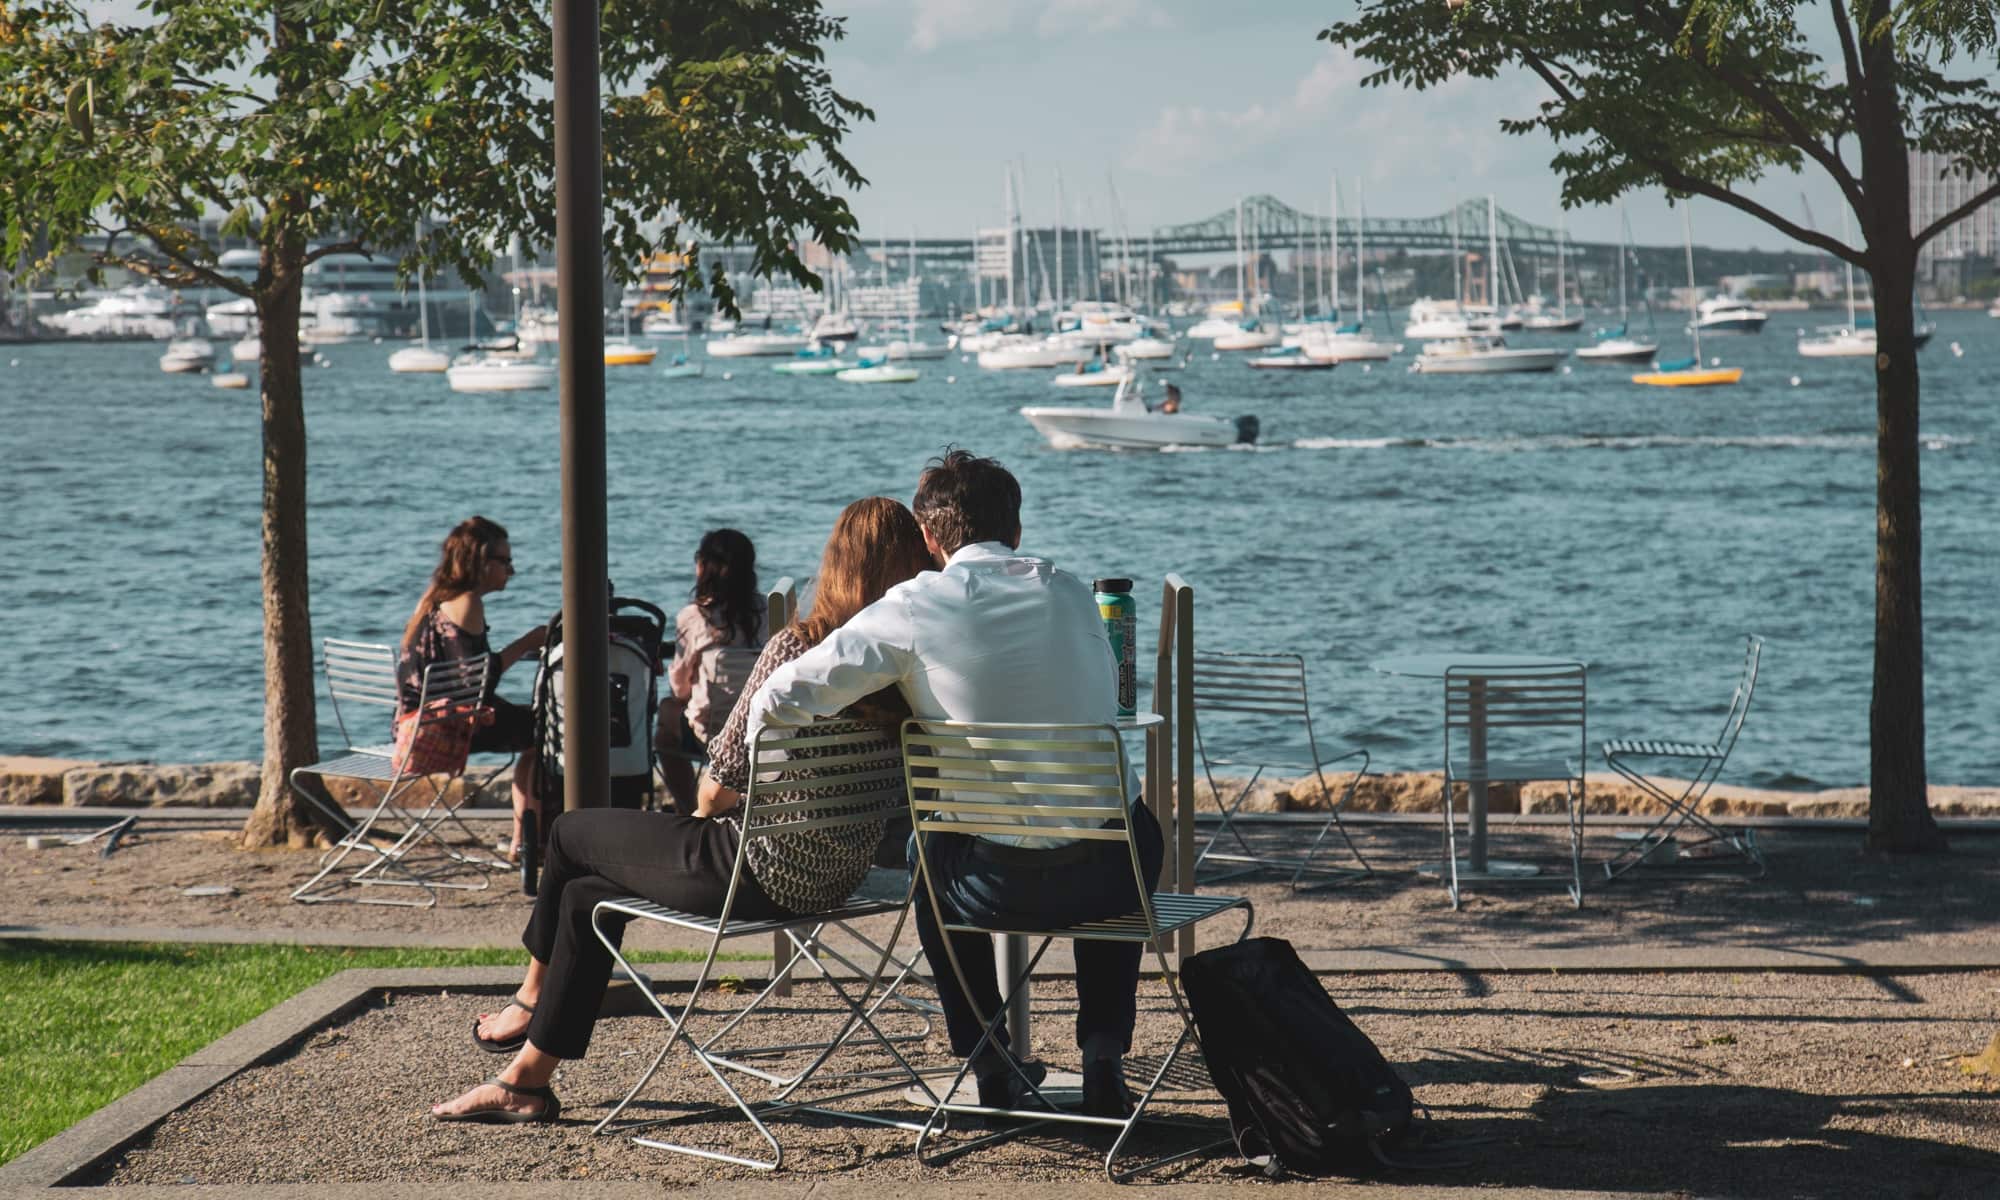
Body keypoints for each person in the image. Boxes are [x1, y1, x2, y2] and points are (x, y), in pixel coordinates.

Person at [429, 498, 935, 1124]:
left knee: (567, 833)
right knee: (587, 895)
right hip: (839, 877)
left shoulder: (796, 650)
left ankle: (530, 995)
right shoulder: (910, 665)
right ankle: (526, 1080)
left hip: (752, 873)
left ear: (834, 565)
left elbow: (712, 793)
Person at [745, 448, 1163, 1120]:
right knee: (1125, 822)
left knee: (929, 847)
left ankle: (989, 1057)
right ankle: (1104, 1053)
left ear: (932, 539)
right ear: (1017, 529)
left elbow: (781, 697)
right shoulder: (1074, 591)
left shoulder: (914, 606)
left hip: (988, 887)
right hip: (1114, 882)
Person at [398, 516, 546, 830]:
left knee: (534, 726)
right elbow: (479, 684)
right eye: (505, 561)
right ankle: (531, 839)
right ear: (481, 562)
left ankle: (526, 839)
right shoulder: (467, 603)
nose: (511, 570)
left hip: (411, 725)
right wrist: (527, 643)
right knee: (548, 732)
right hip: (439, 729)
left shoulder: (434, 598)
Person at [656, 528, 765, 813]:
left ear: (704, 566)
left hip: (714, 734)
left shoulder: (695, 616)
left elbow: (680, 689)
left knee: (667, 713)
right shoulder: (768, 611)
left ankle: (687, 810)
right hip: (760, 730)